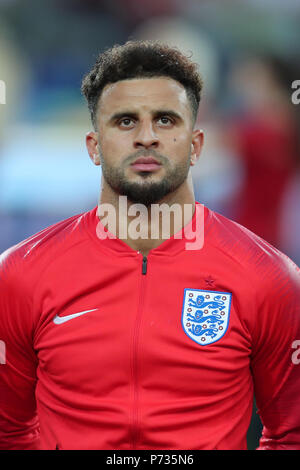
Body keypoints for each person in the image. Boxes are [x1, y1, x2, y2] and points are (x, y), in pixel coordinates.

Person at [0, 40, 300, 451]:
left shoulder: (270, 278)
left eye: (165, 120)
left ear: (195, 145)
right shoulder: (19, 276)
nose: (146, 137)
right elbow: (8, 432)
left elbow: (291, 435)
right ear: (93, 146)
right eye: (125, 121)